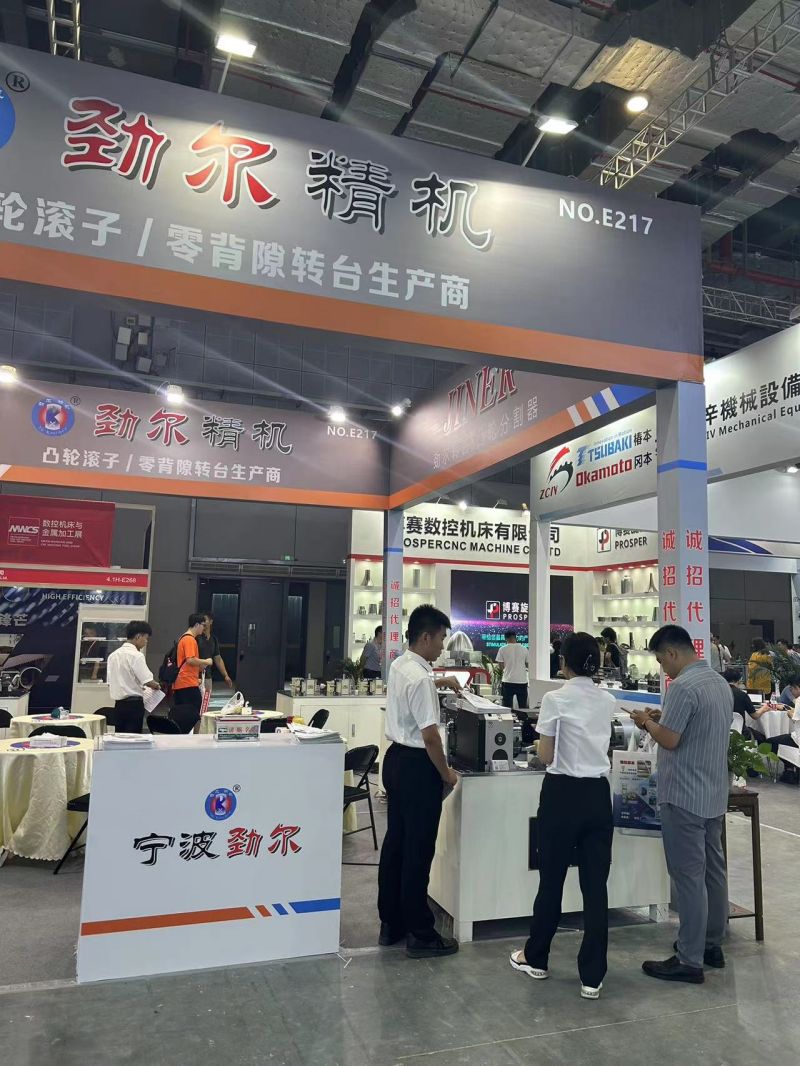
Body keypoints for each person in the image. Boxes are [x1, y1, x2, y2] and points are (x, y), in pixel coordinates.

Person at [509, 633, 614, 1000]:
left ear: (564, 662)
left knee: (551, 881)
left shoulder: (555, 699)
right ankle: (592, 977)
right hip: (597, 795)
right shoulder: (607, 700)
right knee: (595, 887)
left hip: (561, 794)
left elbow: (546, 755)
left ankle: (536, 957)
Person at [630, 626, 732, 984]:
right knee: (713, 872)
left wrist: (646, 722)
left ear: (672, 653)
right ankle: (711, 944)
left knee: (688, 877)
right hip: (713, 794)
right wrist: (662, 719)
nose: (663, 668)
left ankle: (689, 959)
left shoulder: (683, 687)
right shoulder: (718, 683)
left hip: (684, 795)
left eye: (661, 661)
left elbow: (670, 740)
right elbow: (695, 728)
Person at [378, 605, 462, 959]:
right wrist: (447, 774)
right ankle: (421, 933)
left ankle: (391, 923)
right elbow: (430, 738)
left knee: (396, 845)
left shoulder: (401, 665)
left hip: (394, 761)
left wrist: (439, 681)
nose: (443, 646)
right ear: (426, 637)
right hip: (417, 768)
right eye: (441, 638)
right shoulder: (421, 679)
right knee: (418, 850)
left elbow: (413, 691)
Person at [106, 621, 162, 733]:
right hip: (134, 705)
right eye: (146, 638)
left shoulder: (113, 656)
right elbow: (147, 681)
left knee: (120, 736)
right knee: (133, 737)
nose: (146, 642)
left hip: (119, 705)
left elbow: (109, 682)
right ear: (138, 636)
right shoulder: (137, 655)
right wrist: (157, 686)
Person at [172, 613, 213, 733]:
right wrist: (206, 661)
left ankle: (183, 736)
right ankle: (194, 738)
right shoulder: (189, 639)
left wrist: (199, 668)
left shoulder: (183, 638)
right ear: (196, 625)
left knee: (182, 716)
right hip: (187, 684)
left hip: (182, 683)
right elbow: (190, 659)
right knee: (194, 715)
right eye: (203, 625)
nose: (204, 628)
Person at [722, 667, 766, 739]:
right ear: (738, 680)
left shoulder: (719, 693)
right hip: (741, 733)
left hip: (722, 731)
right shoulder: (742, 695)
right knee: (762, 737)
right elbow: (755, 716)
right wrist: (764, 708)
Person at [198, 614, 234, 695]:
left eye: (205, 620)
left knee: (206, 700)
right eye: (201, 621)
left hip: (207, 676)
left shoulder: (214, 639)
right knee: (196, 701)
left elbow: (218, 658)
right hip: (195, 677)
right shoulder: (196, 638)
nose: (203, 623)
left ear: (211, 621)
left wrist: (225, 675)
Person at [496, 630, 529, 711]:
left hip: (508, 681)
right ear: (515, 637)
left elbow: (501, 667)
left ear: (506, 638)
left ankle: (508, 719)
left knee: (507, 707)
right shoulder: (524, 649)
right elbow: (528, 664)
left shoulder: (502, 649)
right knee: (522, 707)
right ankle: (522, 718)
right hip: (522, 681)